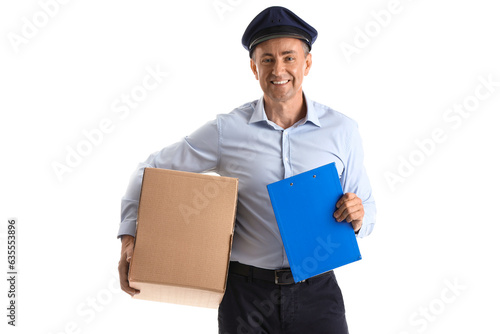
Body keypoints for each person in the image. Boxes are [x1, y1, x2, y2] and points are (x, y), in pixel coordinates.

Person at [117, 6, 376, 333]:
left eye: (288, 57)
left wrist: (359, 214)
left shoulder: (342, 130)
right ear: (254, 68)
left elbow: (368, 210)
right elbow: (148, 171)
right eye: (267, 59)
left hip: (317, 294)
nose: (278, 69)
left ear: (307, 63)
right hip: (245, 296)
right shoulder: (228, 131)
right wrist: (129, 239)